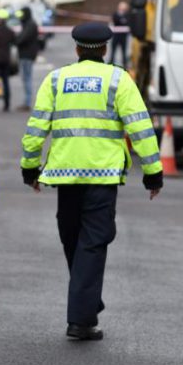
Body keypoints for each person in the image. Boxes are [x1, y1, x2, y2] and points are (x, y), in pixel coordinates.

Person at [20, 22, 163, 341]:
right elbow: (139, 127)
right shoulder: (119, 79)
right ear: (105, 49)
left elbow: (36, 128)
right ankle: (82, 318)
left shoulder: (56, 80)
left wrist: (30, 167)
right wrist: (153, 171)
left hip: (64, 174)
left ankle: (85, 306)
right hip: (103, 174)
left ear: (76, 48)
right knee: (92, 242)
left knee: (73, 238)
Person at [15, 6, 40, 111]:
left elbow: (22, 39)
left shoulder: (30, 25)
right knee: (26, 78)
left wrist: (16, 39)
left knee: (27, 79)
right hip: (27, 55)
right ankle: (27, 101)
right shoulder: (29, 24)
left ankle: (28, 102)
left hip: (27, 55)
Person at [110, 1, 130, 68]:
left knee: (124, 51)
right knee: (113, 50)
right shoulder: (115, 14)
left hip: (123, 36)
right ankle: (111, 62)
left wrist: (122, 20)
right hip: (116, 36)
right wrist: (122, 20)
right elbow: (116, 20)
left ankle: (125, 64)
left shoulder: (127, 15)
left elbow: (127, 22)